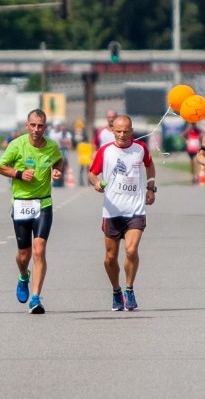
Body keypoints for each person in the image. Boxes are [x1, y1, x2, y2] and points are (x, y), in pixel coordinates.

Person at [0, 109, 64, 315]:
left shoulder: (52, 146)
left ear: (45, 127)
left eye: (40, 126)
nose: (36, 129)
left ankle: (35, 298)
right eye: (33, 125)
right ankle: (23, 276)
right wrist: (19, 174)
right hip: (21, 204)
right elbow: (0, 167)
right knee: (23, 256)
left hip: (43, 204)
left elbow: (58, 159)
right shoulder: (17, 145)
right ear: (27, 126)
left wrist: (57, 170)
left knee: (39, 248)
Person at [88, 114, 156, 311]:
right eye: (118, 131)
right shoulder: (106, 151)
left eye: (126, 131)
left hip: (135, 209)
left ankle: (129, 289)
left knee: (131, 250)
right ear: (112, 131)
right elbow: (92, 173)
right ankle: (116, 291)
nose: (122, 135)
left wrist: (151, 188)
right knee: (110, 257)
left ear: (132, 131)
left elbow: (150, 165)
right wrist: (97, 184)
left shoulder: (140, 148)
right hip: (112, 210)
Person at [48, 119, 73, 187]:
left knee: (62, 166)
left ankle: (61, 181)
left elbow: (69, 143)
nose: (57, 127)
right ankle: (55, 181)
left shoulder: (64, 133)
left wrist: (63, 141)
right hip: (53, 151)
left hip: (62, 150)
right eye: (56, 126)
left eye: (58, 126)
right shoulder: (51, 132)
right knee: (53, 166)